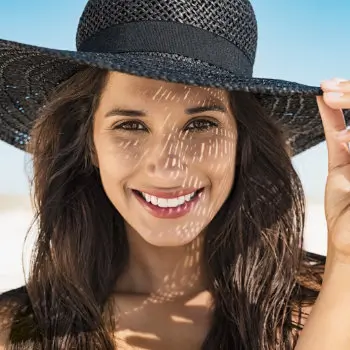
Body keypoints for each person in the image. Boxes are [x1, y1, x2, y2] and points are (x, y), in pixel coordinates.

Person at [0, 0, 349, 349]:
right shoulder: (11, 330)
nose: (167, 168)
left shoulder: (332, 300)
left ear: (242, 141)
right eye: (131, 126)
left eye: (200, 124)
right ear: (89, 142)